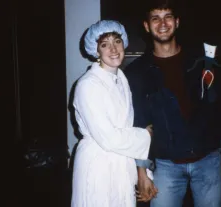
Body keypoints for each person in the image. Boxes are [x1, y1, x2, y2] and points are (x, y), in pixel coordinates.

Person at [124, 1, 221, 206]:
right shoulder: (137, 73)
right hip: (166, 165)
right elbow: (138, 123)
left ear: (177, 22)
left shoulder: (202, 61)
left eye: (168, 16)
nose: (162, 23)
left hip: (208, 160)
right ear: (146, 25)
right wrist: (141, 171)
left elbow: (219, 104)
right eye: (155, 18)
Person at [71, 20, 153, 207]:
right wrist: (145, 135)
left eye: (117, 41)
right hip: (98, 166)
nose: (113, 49)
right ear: (96, 50)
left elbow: (126, 128)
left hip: (120, 163)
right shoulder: (88, 85)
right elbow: (108, 138)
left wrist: (145, 173)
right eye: (104, 44)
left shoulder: (121, 78)